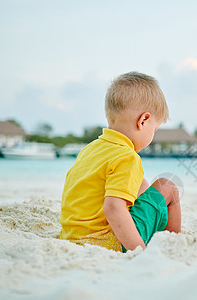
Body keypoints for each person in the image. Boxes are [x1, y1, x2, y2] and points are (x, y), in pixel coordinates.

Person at [60, 72, 181, 252]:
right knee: (167, 186)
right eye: (154, 130)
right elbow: (113, 207)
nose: (152, 135)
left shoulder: (91, 149)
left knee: (142, 185)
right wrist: (139, 251)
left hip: (73, 238)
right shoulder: (127, 157)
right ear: (143, 120)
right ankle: (174, 245)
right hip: (108, 242)